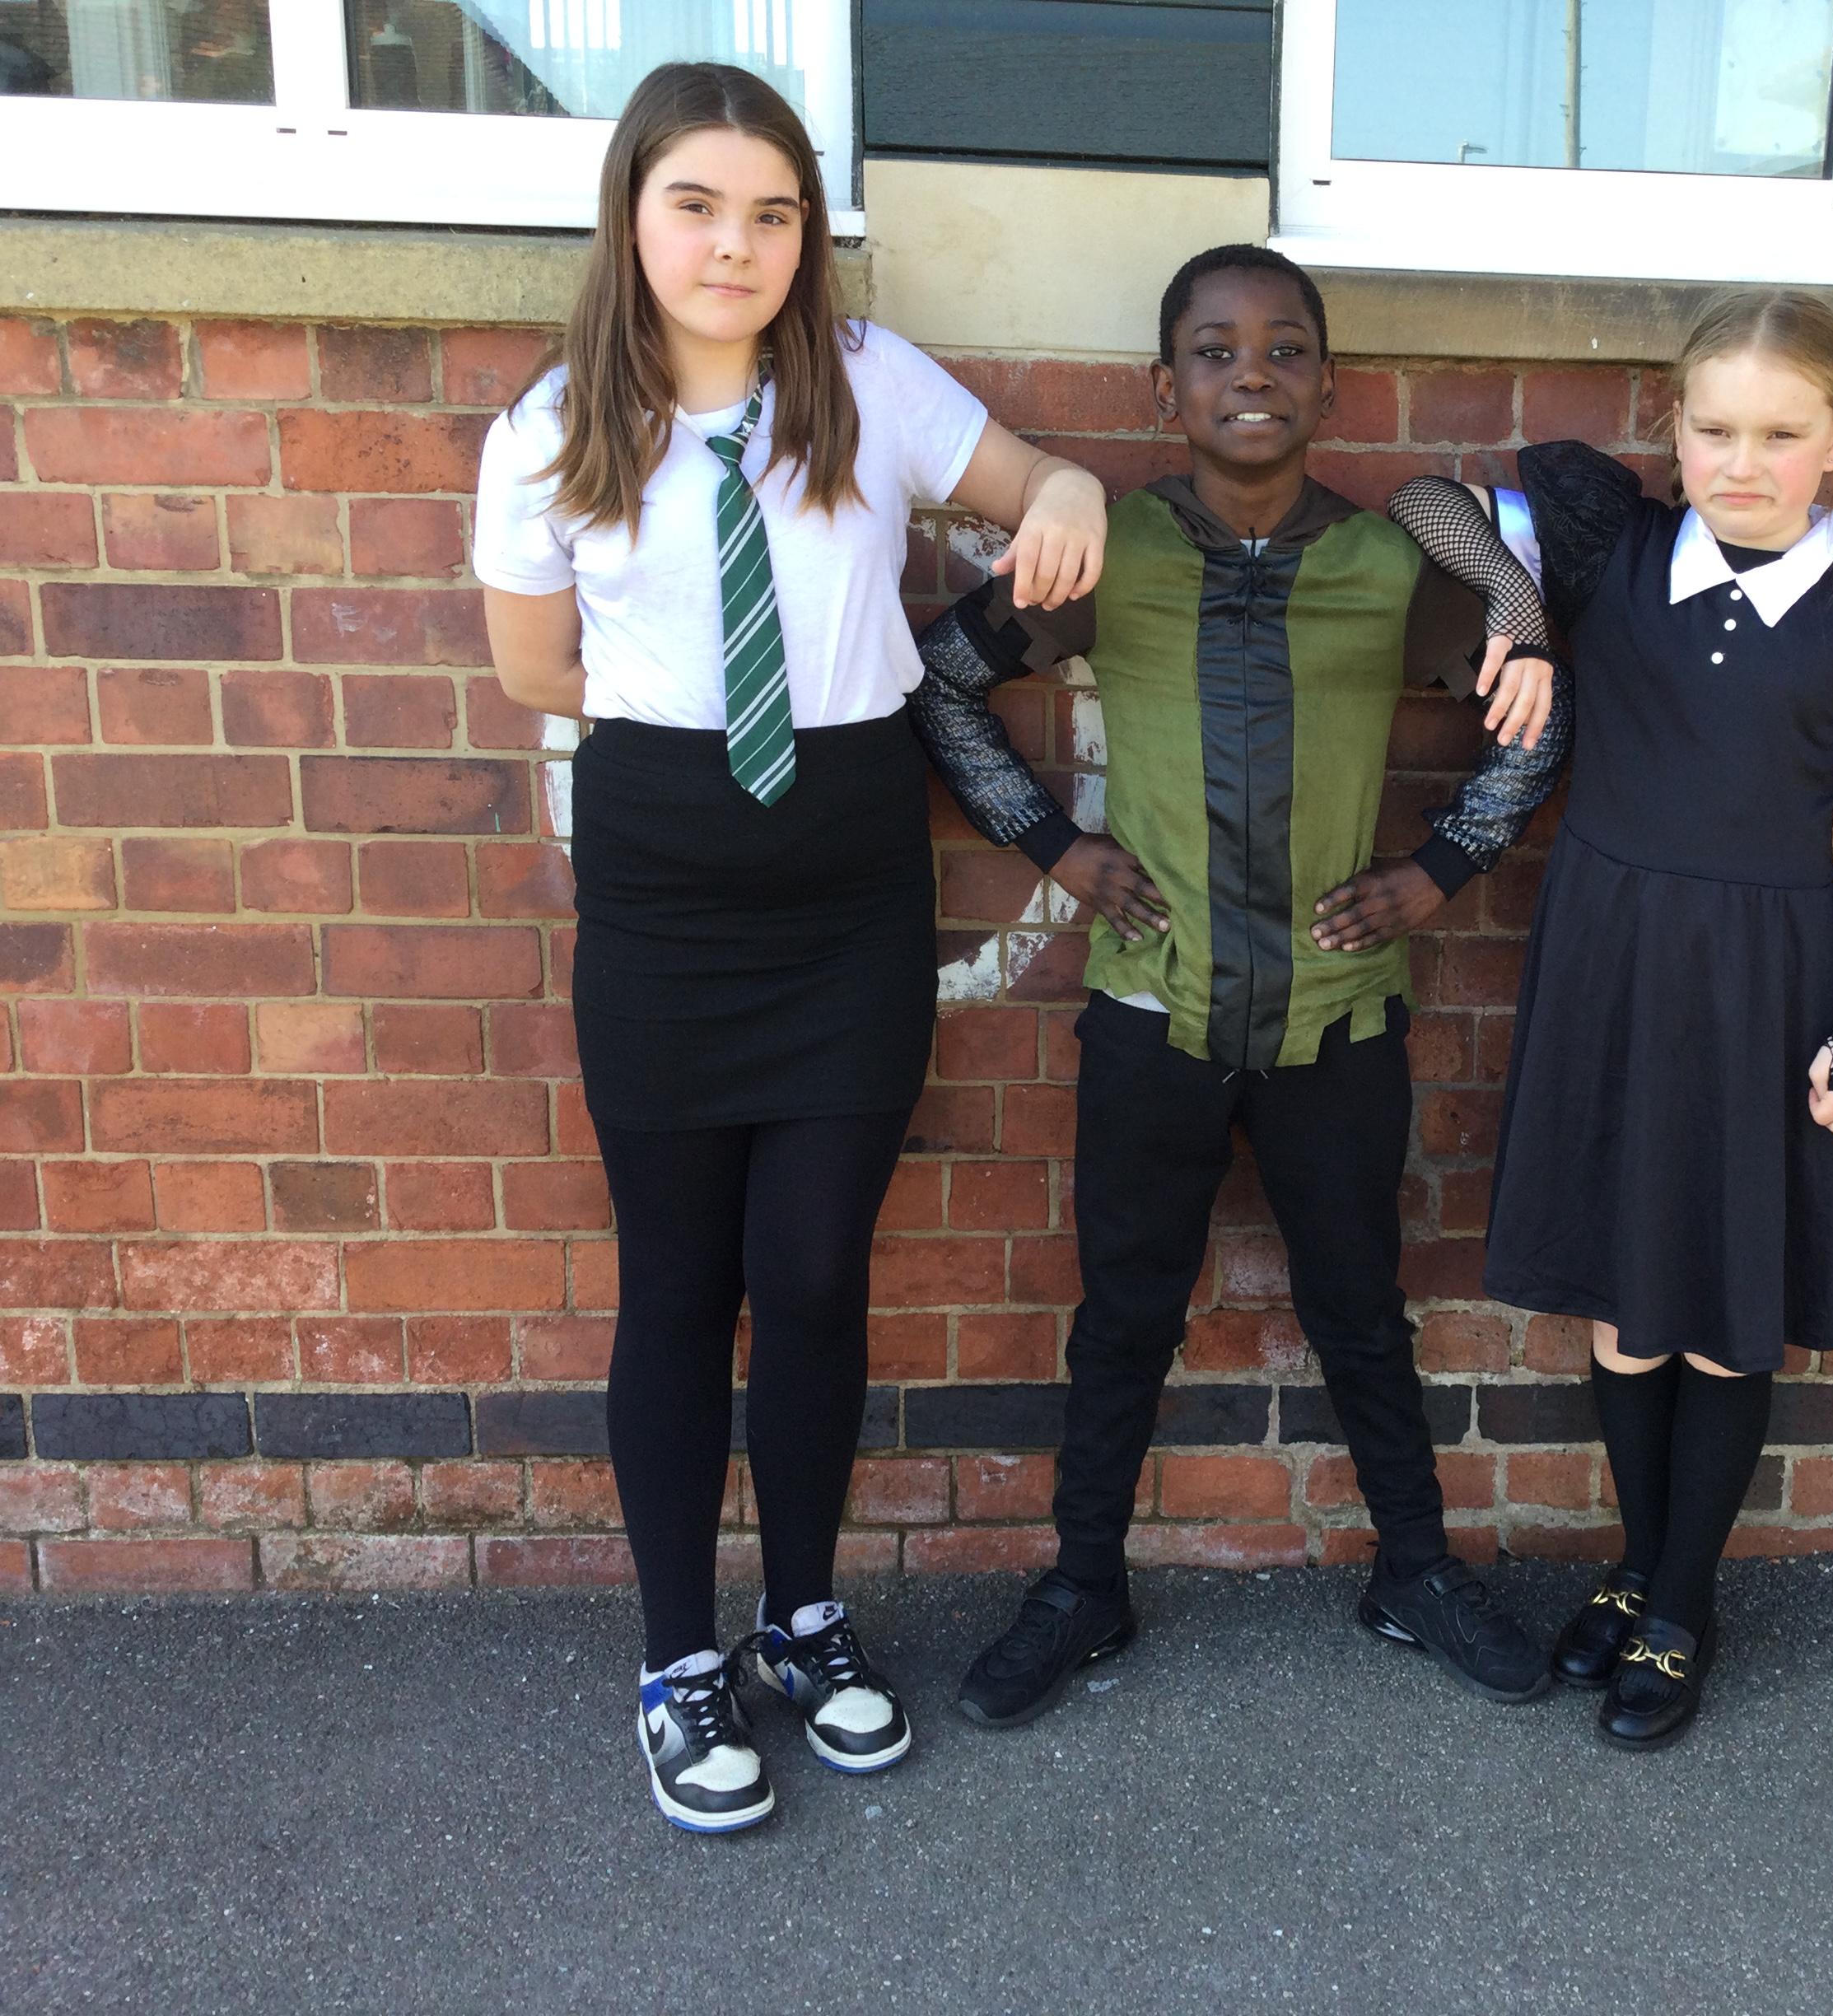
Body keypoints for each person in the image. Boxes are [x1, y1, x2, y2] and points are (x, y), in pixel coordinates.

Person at [473, 62, 1107, 1833]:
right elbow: (536, 669)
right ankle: (679, 1662)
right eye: (695, 206)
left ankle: (806, 1618)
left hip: (847, 881)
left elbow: (1037, 480)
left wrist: (1071, 490)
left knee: (816, 1271)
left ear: (807, 236)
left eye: (771, 213)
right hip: (669, 882)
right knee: (680, 1280)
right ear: (630, 217)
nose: (733, 245)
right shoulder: (549, 430)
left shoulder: (870, 384)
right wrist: (700, 723)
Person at [911, 244, 1565, 1729]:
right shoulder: (1110, 551)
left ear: (1329, 387)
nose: (1250, 375)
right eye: (1214, 351)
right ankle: (1084, 1584)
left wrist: (1439, 869)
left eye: (1284, 352)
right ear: (1168, 388)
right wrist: (1055, 848)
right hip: (1155, 1010)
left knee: (1362, 1310)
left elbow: (1537, 716)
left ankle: (1415, 1571)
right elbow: (940, 685)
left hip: (1341, 1018)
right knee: (1124, 1315)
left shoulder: (1392, 567)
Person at [1388, 287, 1833, 1749]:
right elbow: (1420, 501)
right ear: (1675, 428)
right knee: (1625, 1299)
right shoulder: (1612, 544)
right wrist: (1520, 601)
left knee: (1722, 1310)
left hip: (1765, 975)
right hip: (1610, 957)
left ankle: (1681, 1604)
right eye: (1715, 430)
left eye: (1781, 435)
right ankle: (1634, 1569)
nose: (1743, 462)